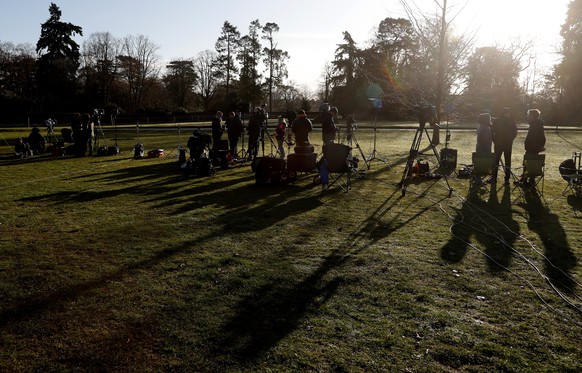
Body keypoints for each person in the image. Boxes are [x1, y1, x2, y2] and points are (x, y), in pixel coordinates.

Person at [492, 107, 517, 185]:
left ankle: (506, 179)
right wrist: (495, 141)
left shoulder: (511, 122)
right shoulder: (499, 121)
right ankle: (494, 177)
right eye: (506, 113)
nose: (507, 114)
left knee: (507, 162)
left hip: (505, 144)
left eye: (508, 113)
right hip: (501, 143)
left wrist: (510, 139)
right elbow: (493, 132)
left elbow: (514, 132)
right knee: (496, 161)